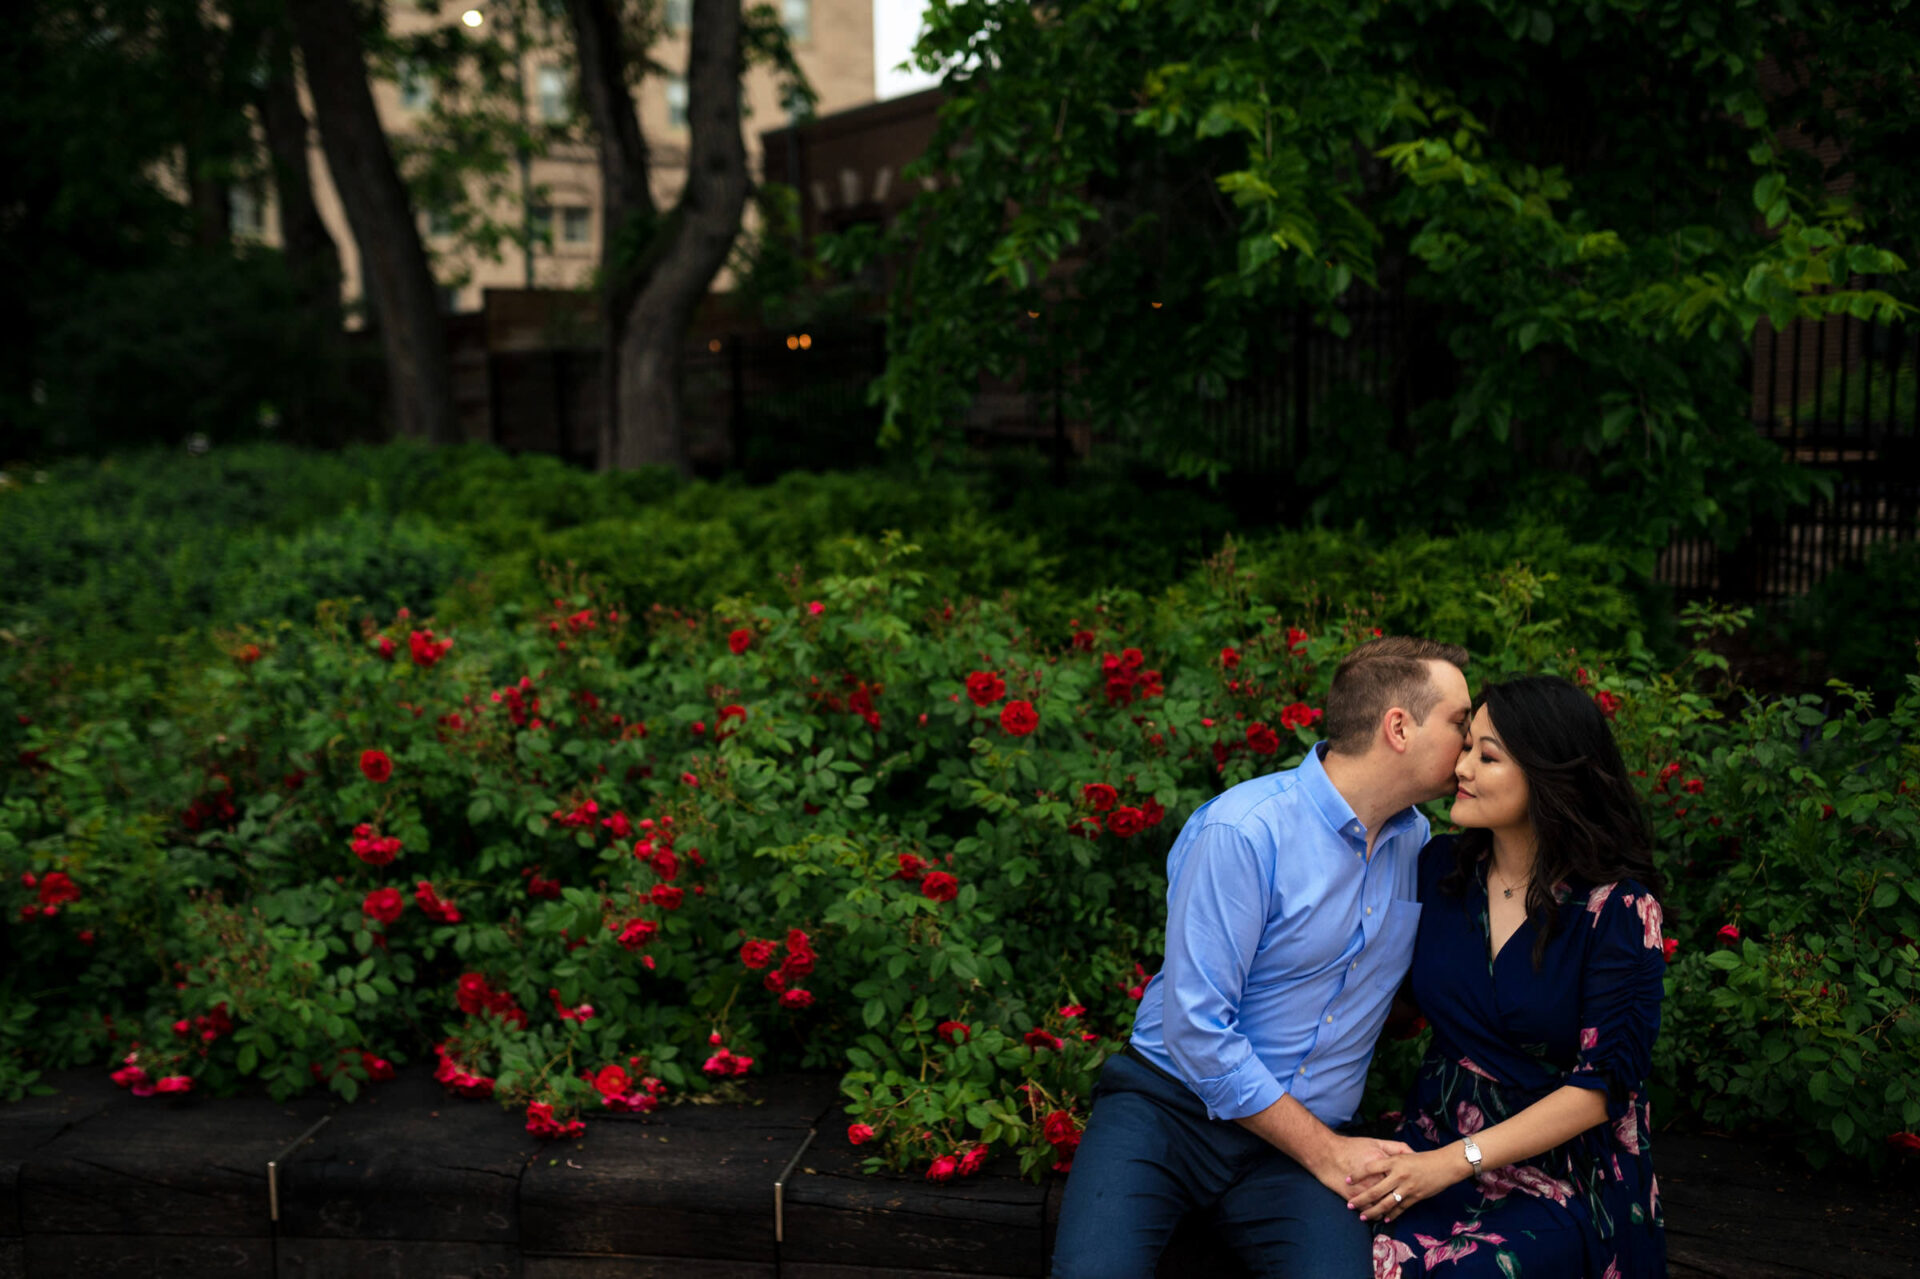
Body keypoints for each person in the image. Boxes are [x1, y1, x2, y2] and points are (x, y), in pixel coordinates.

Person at [1051, 636, 1475, 1279]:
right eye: (1459, 724)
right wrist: (1328, 1153)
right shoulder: (1243, 832)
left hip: (1298, 1149)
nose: (1469, 745)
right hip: (1170, 1114)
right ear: (1399, 727)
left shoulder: (1416, 843)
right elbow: (1195, 1030)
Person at [1349, 675, 1667, 1278]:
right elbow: (1381, 998)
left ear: (1549, 775)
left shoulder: (1617, 911)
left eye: (1485, 756)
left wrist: (1450, 1162)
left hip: (1564, 1171)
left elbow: (1599, 1093)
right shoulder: (1439, 870)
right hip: (1430, 1134)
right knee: (1325, 1239)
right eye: (1464, 746)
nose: (1460, 768)